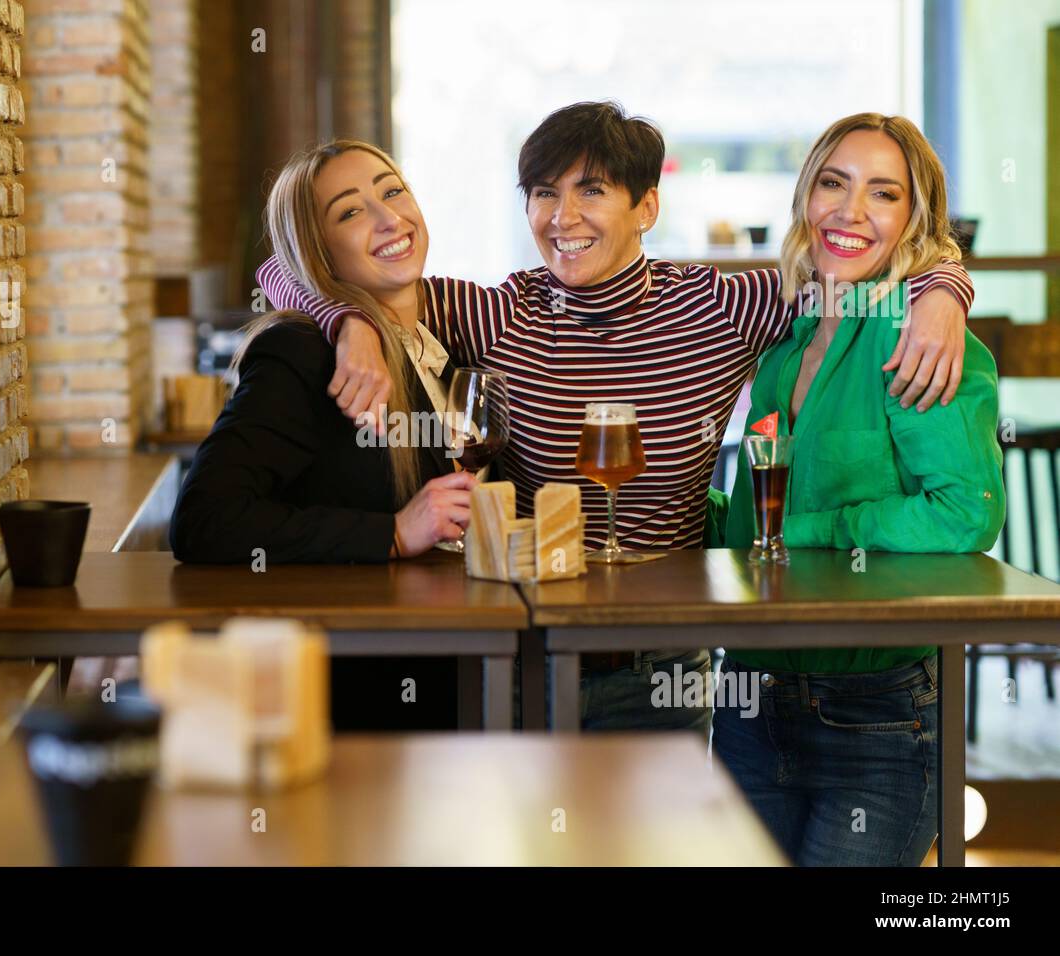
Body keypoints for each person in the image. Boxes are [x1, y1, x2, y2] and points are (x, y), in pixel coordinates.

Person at [257, 101, 975, 733]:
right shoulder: (497, 312)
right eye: (544, 194)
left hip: (663, 664)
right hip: (525, 655)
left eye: (591, 191)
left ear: (647, 208)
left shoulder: (723, 306)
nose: (562, 218)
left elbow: (861, 262)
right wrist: (348, 318)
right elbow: (283, 269)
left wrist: (945, 290)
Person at [714, 113, 1006, 866]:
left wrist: (818, 530)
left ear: (917, 218)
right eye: (833, 183)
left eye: (884, 194)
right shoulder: (785, 336)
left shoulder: (920, 335)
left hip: (878, 710)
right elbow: (757, 514)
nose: (849, 212)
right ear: (806, 196)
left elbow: (963, 514)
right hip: (753, 695)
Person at [170, 140, 476, 730]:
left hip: (449, 667)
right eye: (350, 211)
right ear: (319, 253)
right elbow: (205, 519)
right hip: (354, 698)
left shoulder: (443, 332)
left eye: (392, 191)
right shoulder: (303, 352)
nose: (389, 218)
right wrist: (389, 533)